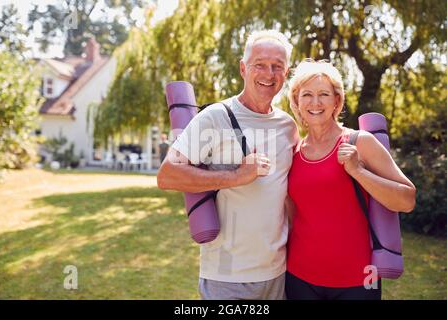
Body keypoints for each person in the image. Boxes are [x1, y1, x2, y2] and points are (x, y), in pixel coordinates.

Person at [157, 30, 299, 300]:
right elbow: (167, 175)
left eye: (277, 67)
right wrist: (236, 176)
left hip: (278, 273)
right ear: (243, 68)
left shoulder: (287, 127)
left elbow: (290, 193)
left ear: (286, 72)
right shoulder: (215, 117)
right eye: (260, 64)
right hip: (226, 276)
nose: (268, 74)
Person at [285, 58, 416, 300]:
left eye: (324, 94)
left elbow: (407, 199)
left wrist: (358, 171)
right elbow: (294, 215)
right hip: (299, 277)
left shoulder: (360, 142)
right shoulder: (293, 152)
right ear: (296, 101)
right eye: (307, 95)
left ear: (337, 100)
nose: (315, 102)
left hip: (357, 279)